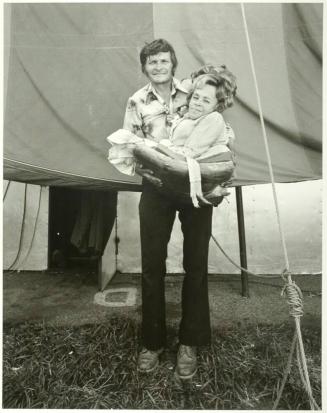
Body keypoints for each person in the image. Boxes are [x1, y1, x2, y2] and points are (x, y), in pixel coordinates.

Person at [118, 39, 235, 379]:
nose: (158, 67)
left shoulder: (194, 92)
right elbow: (128, 147)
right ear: (144, 67)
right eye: (152, 62)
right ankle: (152, 343)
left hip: (195, 188)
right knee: (151, 265)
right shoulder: (136, 101)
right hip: (155, 189)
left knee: (196, 263)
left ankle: (190, 342)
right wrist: (153, 166)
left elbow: (222, 132)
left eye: (164, 61)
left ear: (173, 64)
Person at [107, 70, 236, 206]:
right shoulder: (186, 116)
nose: (198, 103)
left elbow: (190, 152)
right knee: (129, 143)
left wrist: (158, 148)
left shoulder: (213, 118)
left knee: (138, 146)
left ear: (217, 106)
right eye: (196, 98)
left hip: (194, 165)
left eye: (206, 101)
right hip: (168, 181)